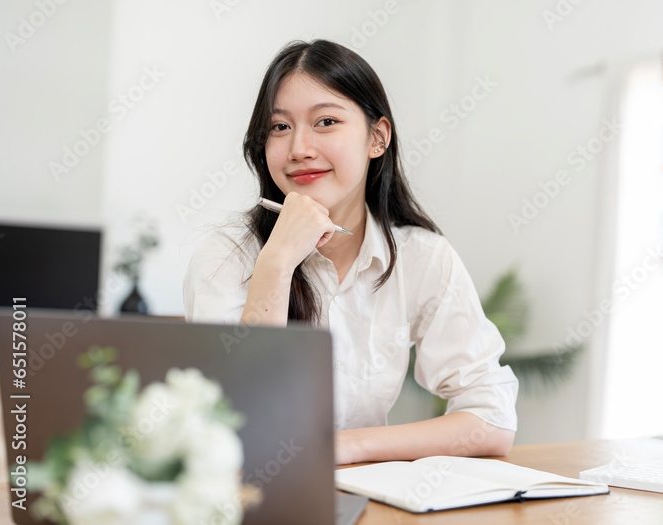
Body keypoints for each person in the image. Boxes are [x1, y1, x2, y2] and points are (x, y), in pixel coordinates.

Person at [182, 40, 518, 465]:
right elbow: (235, 423)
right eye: (279, 127)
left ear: (377, 138)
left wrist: (346, 446)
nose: (299, 148)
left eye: (325, 121)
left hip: (369, 495)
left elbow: (492, 418)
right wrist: (278, 261)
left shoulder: (422, 256)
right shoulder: (226, 254)